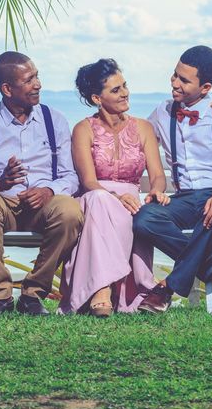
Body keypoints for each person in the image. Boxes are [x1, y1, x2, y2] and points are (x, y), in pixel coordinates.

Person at [0, 51, 83, 316]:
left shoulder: (54, 120)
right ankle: (0, 295)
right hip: (1, 204)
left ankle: (33, 294)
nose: (38, 84)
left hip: (44, 206)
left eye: (37, 76)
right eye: (29, 80)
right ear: (7, 88)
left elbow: (71, 176)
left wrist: (48, 191)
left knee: (69, 211)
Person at [133, 45, 212, 317]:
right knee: (144, 219)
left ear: (206, 87)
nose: (175, 83)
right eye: (174, 75)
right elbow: (136, 139)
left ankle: (167, 288)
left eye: (184, 80)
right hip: (186, 199)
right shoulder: (163, 111)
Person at [57, 59, 169, 317]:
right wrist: (114, 196)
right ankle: (103, 290)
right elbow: (88, 181)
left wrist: (156, 191)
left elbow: (158, 176)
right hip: (96, 198)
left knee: (113, 205)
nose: (125, 93)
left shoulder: (143, 128)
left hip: (131, 201)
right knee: (97, 199)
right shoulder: (83, 129)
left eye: (125, 85)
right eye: (115, 90)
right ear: (97, 97)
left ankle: (100, 290)